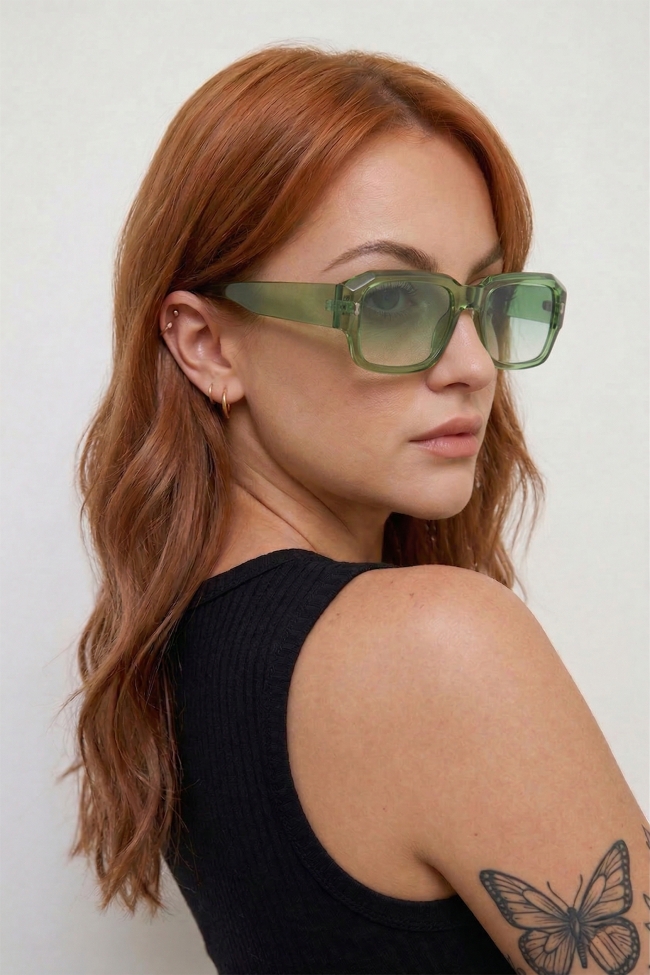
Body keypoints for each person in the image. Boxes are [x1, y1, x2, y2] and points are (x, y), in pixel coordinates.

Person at [61, 43, 650, 975]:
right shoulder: (432, 642)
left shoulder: (174, 659)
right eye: (390, 302)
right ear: (207, 344)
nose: (473, 365)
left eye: (486, 298)